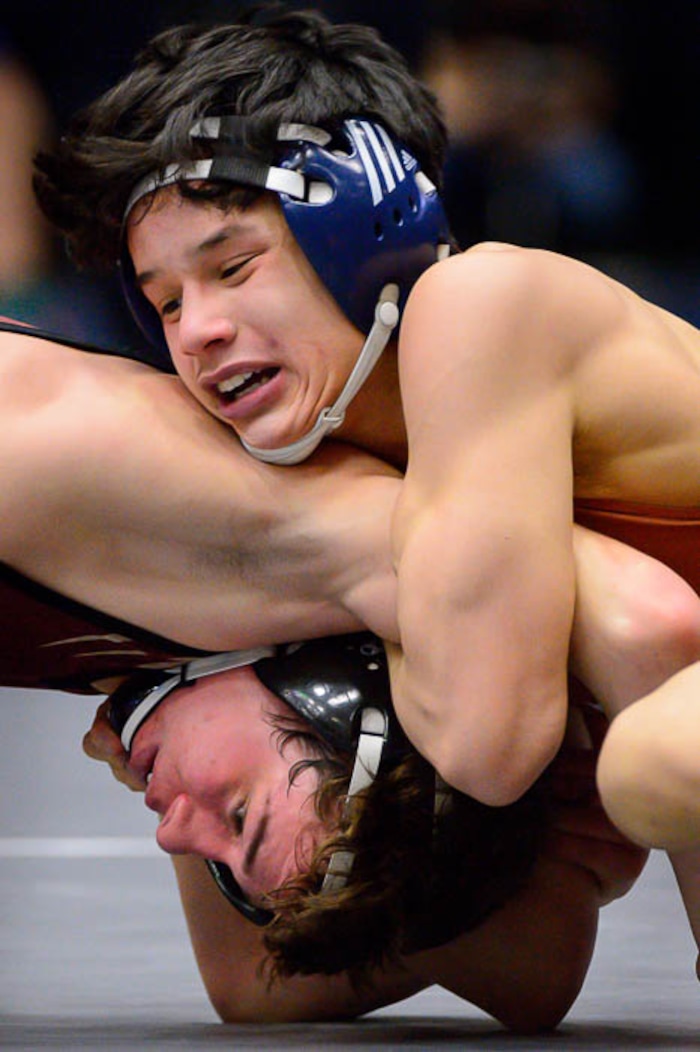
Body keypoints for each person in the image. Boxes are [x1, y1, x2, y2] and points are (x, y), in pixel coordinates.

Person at [32, 8, 700, 975]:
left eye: (234, 266)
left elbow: (489, 741)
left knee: (652, 767)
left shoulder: (480, 307)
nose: (199, 331)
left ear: (363, 223)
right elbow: (252, 995)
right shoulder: (357, 470)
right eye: (166, 300)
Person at [0, 314, 658, 1025]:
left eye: (228, 865)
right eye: (240, 815)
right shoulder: (304, 535)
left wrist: (493, 864)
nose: (172, 835)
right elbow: (644, 618)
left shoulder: (235, 611)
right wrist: (657, 787)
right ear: (333, 696)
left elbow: (258, 983)